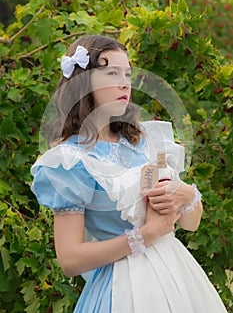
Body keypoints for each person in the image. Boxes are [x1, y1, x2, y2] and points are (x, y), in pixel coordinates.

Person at [31, 35, 227, 312]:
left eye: (128, 74)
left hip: (180, 279)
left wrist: (183, 194)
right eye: (112, 73)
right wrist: (146, 235)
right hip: (124, 289)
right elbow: (70, 260)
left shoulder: (146, 139)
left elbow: (190, 224)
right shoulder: (69, 161)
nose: (125, 83)